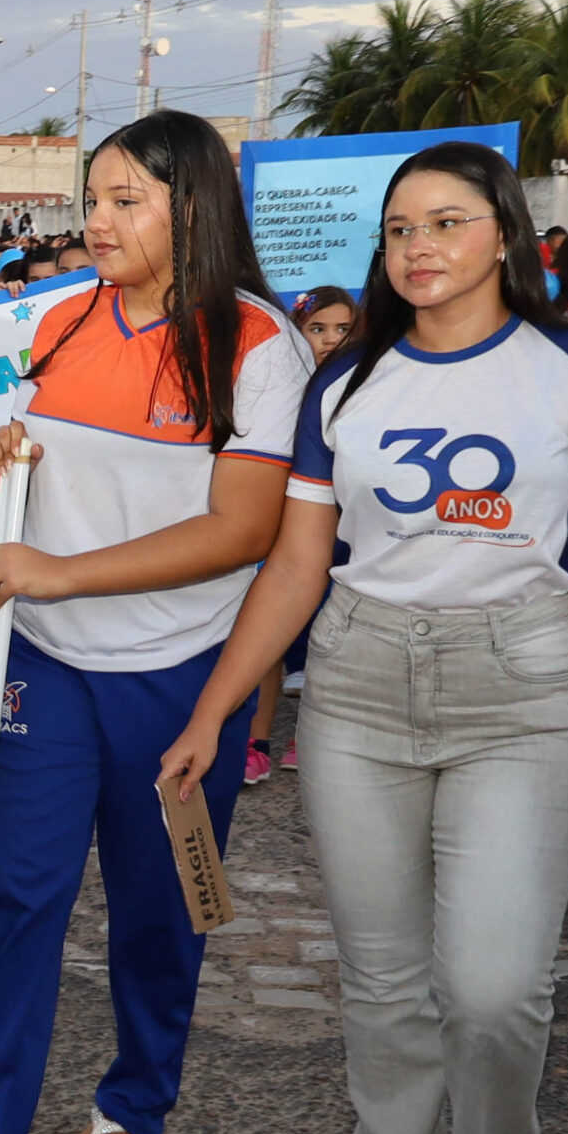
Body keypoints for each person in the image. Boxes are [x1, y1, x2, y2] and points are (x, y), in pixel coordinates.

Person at [156, 141, 568, 1134]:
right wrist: (214, 710)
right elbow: (296, 564)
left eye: (447, 222)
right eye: (400, 228)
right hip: (357, 686)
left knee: (494, 987)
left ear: (504, 231)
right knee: (383, 982)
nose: (418, 247)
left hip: (524, 686)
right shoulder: (344, 381)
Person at [0, 111, 310, 1134]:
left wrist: (65, 572)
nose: (98, 221)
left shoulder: (259, 344)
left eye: (127, 201)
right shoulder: (62, 318)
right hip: (48, 662)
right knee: (14, 893)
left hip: (182, 672)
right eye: (94, 200)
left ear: (195, 207)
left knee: (162, 902)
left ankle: (137, 1097)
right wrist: (8, 452)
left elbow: (242, 529)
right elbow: (31, 450)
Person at [244, 285, 361, 783]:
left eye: (343, 329)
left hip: (342, 534)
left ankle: (307, 737)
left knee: (325, 638)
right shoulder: (276, 388)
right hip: (280, 529)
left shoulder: (365, 388)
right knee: (267, 631)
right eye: (317, 328)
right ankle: (256, 741)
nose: (331, 339)